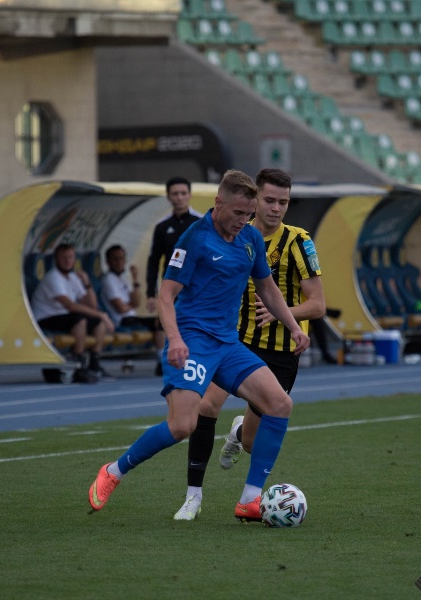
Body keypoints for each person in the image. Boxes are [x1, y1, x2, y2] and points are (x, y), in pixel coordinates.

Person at [87, 169, 310, 521]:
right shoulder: (195, 239)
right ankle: (113, 471)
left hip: (228, 344)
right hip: (192, 342)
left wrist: (294, 326)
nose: (243, 220)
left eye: (248, 214)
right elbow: (166, 295)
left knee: (280, 403)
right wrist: (175, 339)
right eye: (238, 212)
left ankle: (250, 499)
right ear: (218, 203)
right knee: (182, 426)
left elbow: (267, 288)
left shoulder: (250, 238)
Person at [174, 168, 326, 521]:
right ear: (255, 199)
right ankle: (193, 497)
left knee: (251, 443)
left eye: (283, 202)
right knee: (206, 405)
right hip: (236, 342)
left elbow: (318, 304)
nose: (276, 208)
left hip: (281, 352)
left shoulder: (298, 242)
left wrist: (283, 314)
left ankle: (240, 432)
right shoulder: (235, 234)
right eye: (269, 200)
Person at [31, 243, 115, 378]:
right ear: (56, 259)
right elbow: (70, 306)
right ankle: (78, 364)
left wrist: (87, 283)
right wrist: (102, 315)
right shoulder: (53, 277)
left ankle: (94, 363)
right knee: (80, 321)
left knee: (98, 323)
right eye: (64, 257)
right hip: (45, 318)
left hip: (64, 317)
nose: (68, 261)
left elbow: (91, 305)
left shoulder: (73, 278)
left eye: (70, 257)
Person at [146, 176, 202, 375]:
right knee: (165, 321)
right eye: (175, 194)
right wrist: (150, 293)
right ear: (169, 197)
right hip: (172, 286)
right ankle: (164, 359)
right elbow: (154, 261)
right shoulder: (162, 227)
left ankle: (195, 360)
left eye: (183, 193)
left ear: (190, 195)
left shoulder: (201, 223)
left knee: (194, 322)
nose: (179, 197)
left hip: (197, 287)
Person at [101, 244, 156, 334]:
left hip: (132, 317)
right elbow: (121, 308)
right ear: (108, 261)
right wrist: (132, 305)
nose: (119, 262)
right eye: (115, 259)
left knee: (161, 322)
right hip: (122, 320)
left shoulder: (123, 279)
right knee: (159, 323)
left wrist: (135, 279)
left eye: (121, 259)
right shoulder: (108, 279)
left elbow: (137, 302)